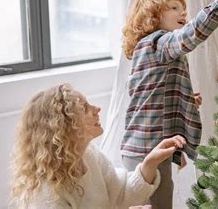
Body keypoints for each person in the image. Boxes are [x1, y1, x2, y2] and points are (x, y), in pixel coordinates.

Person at [121, 0, 218, 208]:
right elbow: (192, 34)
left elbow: (149, 93)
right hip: (146, 149)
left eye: (183, 8)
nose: (183, 12)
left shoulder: (152, 49)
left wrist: (184, 99)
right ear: (152, 15)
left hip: (147, 146)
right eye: (174, 7)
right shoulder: (156, 42)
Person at [10, 83, 186, 209]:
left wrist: (150, 163)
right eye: (85, 108)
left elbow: (122, 195)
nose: (97, 109)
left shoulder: (89, 155)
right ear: (65, 126)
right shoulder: (45, 191)